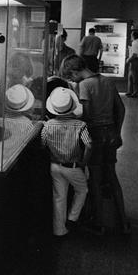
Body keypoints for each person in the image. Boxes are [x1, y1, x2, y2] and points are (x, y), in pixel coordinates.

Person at [61, 54, 130, 235]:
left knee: (96, 180)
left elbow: (86, 115)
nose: (72, 81)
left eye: (71, 77)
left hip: (96, 135)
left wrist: (69, 117)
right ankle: (124, 222)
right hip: (110, 133)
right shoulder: (107, 81)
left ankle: (99, 223)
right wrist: (117, 131)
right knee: (112, 178)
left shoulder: (84, 85)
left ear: (75, 71)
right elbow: (121, 108)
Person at [40, 87, 94, 238]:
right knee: (82, 190)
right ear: (71, 106)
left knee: (59, 197)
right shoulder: (80, 125)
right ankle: (72, 218)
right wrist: (84, 161)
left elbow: (42, 144)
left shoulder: (48, 125)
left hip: (55, 165)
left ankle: (59, 230)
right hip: (74, 167)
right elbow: (89, 144)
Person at [126, 30, 138, 98]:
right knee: (131, 77)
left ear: (133, 36)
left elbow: (134, 54)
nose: (130, 36)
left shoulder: (134, 43)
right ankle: (130, 92)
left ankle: (136, 93)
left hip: (135, 61)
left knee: (134, 78)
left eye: (131, 35)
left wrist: (128, 59)